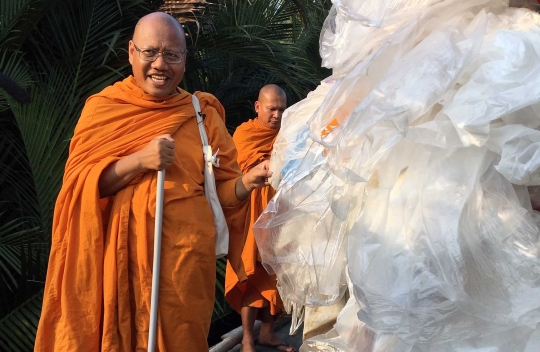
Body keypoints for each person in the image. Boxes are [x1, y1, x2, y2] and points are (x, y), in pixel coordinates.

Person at [34, 12, 272, 352]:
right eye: (150, 52)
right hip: (117, 269)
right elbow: (81, 189)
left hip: (184, 271)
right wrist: (139, 161)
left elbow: (222, 195)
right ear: (131, 52)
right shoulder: (104, 109)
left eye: (172, 54)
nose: (160, 64)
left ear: (184, 60)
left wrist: (248, 181)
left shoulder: (202, 114)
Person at [225, 85, 295, 352]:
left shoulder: (288, 138)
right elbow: (233, 176)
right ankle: (245, 338)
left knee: (275, 275)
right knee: (250, 275)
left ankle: (267, 333)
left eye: (281, 109)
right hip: (250, 219)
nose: (277, 115)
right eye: (271, 109)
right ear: (257, 107)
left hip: (280, 217)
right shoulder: (244, 134)